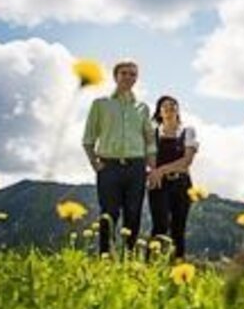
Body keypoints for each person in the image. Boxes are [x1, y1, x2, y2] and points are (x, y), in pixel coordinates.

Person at [82, 61, 156, 255]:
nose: (129, 77)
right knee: (108, 214)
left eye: (133, 74)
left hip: (136, 168)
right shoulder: (100, 104)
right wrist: (94, 163)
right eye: (124, 73)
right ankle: (105, 256)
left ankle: (128, 257)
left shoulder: (142, 108)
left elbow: (150, 141)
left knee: (133, 214)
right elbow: (88, 138)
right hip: (108, 167)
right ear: (115, 76)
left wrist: (152, 168)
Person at [147, 95, 199, 260]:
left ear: (178, 110)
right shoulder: (152, 133)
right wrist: (154, 172)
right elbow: (149, 159)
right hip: (158, 184)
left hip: (182, 183)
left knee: (178, 228)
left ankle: (177, 266)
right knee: (159, 225)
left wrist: (161, 169)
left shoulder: (187, 131)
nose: (169, 108)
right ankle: (151, 264)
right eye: (165, 106)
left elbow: (187, 161)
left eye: (173, 105)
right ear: (159, 112)